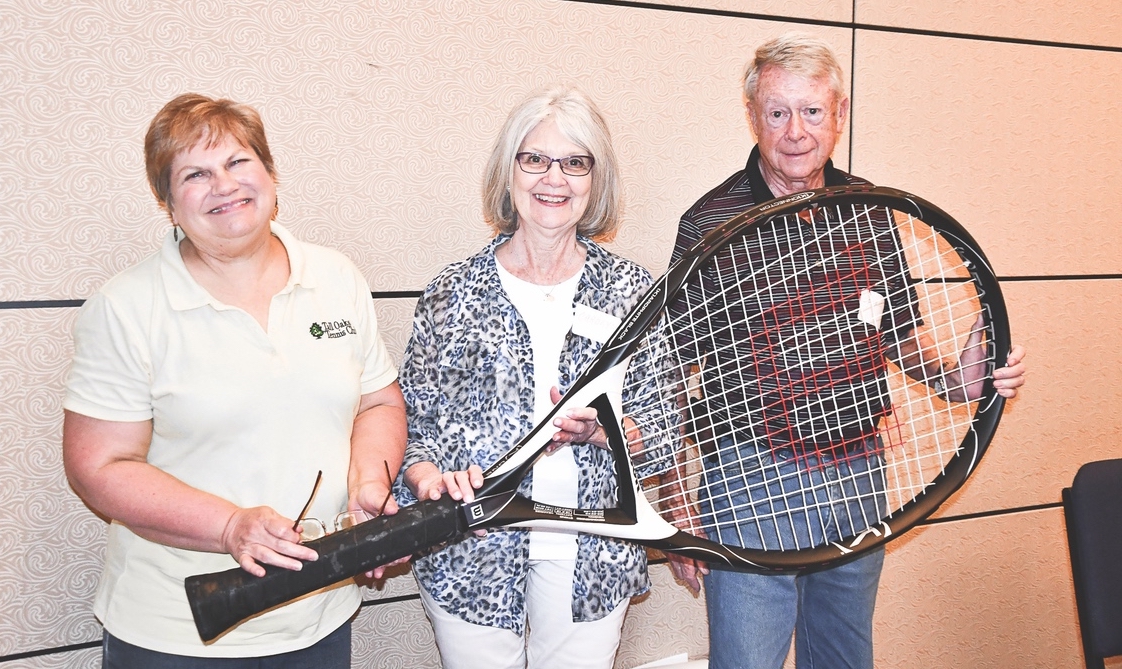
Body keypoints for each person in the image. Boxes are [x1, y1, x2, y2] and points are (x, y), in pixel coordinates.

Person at [664, 34, 1028, 669]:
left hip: (858, 473)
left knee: (844, 658)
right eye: (778, 112)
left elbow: (904, 343)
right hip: (751, 477)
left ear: (840, 114)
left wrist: (967, 376)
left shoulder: (871, 211)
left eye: (812, 111)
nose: (796, 131)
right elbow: (667, 372)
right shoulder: (711, 223)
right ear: (752, 116)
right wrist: (672, 502)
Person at [62, 93, 406, 668]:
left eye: (238, 162)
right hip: (182, 629)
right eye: (196, 174)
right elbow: (98, 469)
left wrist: (368, 488)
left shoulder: (337, 276)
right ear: (168, 203)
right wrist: (229, 527)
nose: (224, 185)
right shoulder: (126, 307)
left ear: (270, 176)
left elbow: (377, 404)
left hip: (318, 613)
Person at [394, 85, 652, 669]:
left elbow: (660, 427)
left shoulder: (633, 292)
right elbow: (414, 421)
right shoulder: (453, 292)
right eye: (534, 159)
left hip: (593, 548)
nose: (553, 178)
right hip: (472, 547)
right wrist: (430, 477)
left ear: (596, 178)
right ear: (508, 171)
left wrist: (601, 431)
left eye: (575, 162)